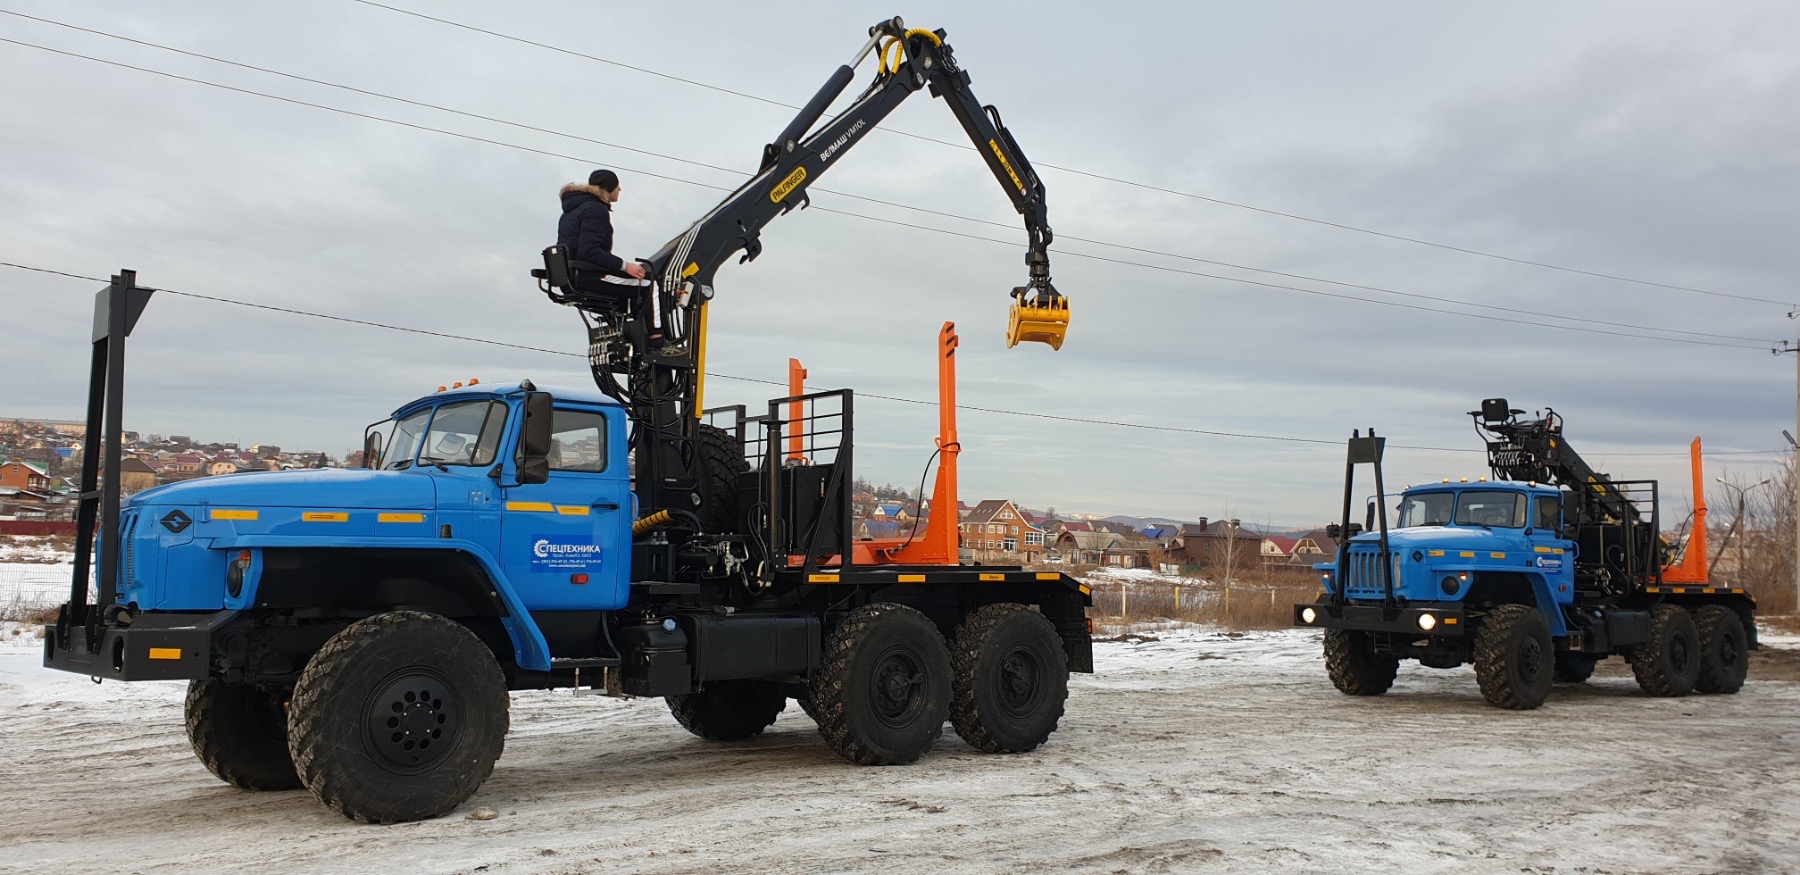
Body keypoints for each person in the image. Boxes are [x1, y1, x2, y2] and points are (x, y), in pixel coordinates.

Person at [558, 169, 675, 349]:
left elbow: (584, 251)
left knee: (634, 287)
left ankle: (629, 334)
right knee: (649, 284)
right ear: (608, 188)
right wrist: (624, 266)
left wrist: (620, 268)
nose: (619, 189)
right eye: (617, 186)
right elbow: (590, 251)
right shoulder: (596, 209)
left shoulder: (571, 211)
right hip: (589, 276)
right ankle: (657, 342)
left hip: (574, 276)